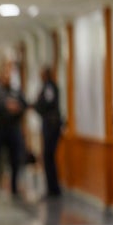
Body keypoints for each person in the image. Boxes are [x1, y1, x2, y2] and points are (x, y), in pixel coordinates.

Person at [0, 60, 28, 197]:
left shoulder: (16, 92)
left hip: (13, 130)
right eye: (5, 75)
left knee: (15, 159)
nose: (7, 77)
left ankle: (14, 187)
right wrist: (7, 106)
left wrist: (17, 107)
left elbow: (24, 104)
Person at [34, 66, 62, 197]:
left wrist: (36, 105)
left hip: (51, 124)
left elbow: (46, 103)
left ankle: (53, 188)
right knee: (48, 156)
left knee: (48, 155)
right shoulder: (47, 86)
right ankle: (51, 187)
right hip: (49, 123)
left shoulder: (49, 87)